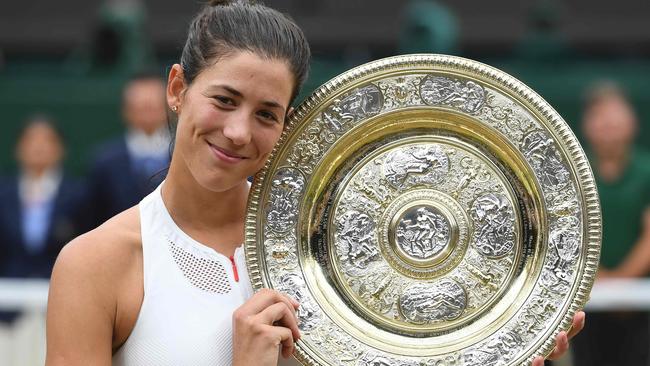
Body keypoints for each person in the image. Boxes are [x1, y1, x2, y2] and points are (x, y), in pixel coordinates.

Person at [45, 1, 582, 365]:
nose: (237, 132)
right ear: (178, 87)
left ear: (286, 125)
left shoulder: (341, 251)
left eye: (266, 114)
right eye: (224, 100)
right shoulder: (94, 266)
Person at [571, 82, 650, 366]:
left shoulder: (646, 171)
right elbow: (568, 235)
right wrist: (599, 281)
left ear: (632, 121)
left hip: (641, 305)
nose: (608, 125)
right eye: (600, 117)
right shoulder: (574, 176)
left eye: (615, 117)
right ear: (586, 125)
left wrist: (623, 283)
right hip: (586, 304)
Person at [0, 116, 85, 366]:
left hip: (61, 305)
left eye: (46, 141)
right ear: (18, 148)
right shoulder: (3, 194)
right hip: (8, 310)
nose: (38, 147)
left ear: (60, 149)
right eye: (31, 141)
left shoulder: (78, 195)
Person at [85, 71, 170, 229]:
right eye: (141, 105)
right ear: (126, 110)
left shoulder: (185, 155)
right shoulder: (105, 162)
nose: (148, 108)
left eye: (153, 104)